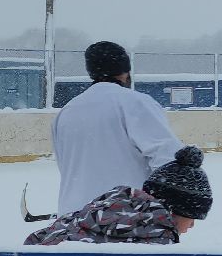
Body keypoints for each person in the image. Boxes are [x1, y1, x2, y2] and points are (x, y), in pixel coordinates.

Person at [51, 40, 186, 216]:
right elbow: (168, 159)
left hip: (72, 221)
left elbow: (68, 167)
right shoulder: (135, 103)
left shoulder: (66, 113)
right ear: (125, 72)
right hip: (125, 221)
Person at [25, 146, 212, 245]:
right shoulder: (159, 236)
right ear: (173, 210)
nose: (192, 225)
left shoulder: (100, 209)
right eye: (192, 217)